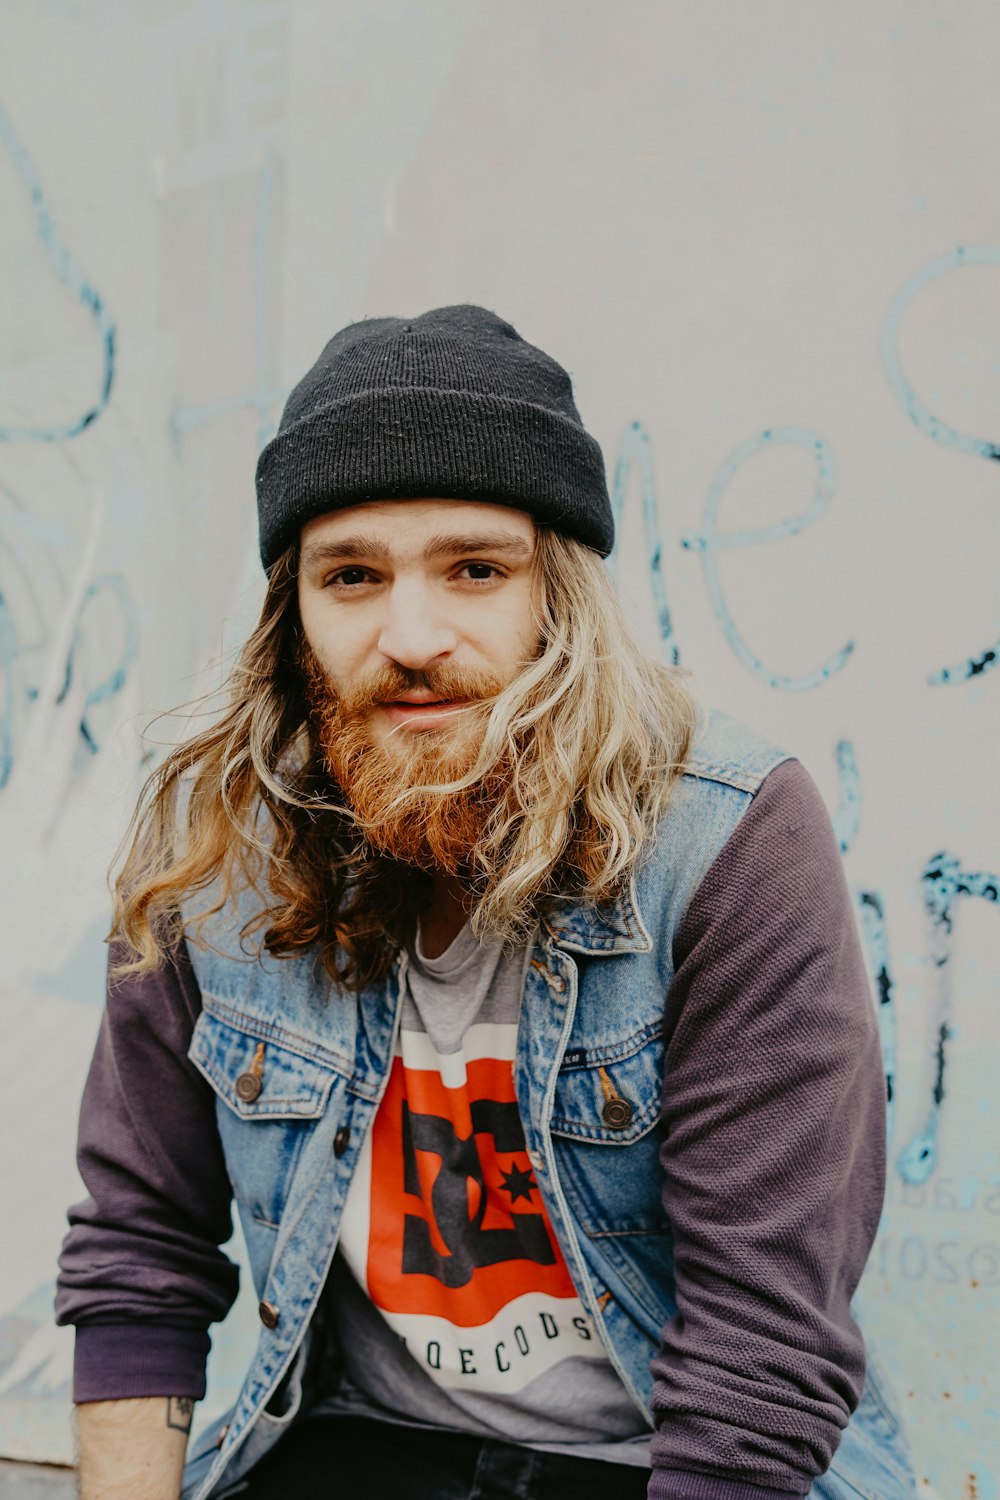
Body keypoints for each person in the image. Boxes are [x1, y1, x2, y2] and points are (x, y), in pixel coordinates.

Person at [56, 304, 916, 1500]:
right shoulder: (211, 855)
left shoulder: (727, 843)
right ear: (290, 615)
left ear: (557, 594)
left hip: (662, 1465)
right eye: (350, 576)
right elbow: (140, 1253)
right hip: (359, 1447)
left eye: (475, 569)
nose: (411, 638)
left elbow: (759, 1363)